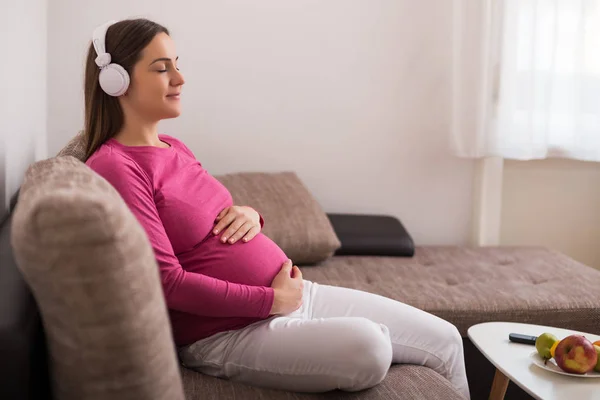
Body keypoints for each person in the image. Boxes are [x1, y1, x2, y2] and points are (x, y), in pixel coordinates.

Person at [83, 18, 470, 398]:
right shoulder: (116, 166)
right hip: (227, 332)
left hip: (296, 294)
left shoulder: (172, 146)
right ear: (116, 81)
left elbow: (206, 217)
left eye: (177, 65)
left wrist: (250, 213)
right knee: (371, 348)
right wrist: (272, 301)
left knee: (447, 339)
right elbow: (166, 282)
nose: (180, 79)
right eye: (161, 69)